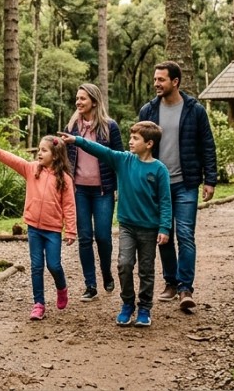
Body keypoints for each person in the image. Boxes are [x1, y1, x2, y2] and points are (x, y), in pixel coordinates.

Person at [59, 121, 170, 328]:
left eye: (135, 138)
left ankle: (144, 308)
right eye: (131, 136)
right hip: (127, 226)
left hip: (149, 228)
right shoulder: (123, 160)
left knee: (146, 269)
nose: (130, 141)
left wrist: (164, 228)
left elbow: (165, 201)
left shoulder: (159, 170)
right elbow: (101, 150)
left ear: (149, 143)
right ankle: (127, 304)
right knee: (124, 264)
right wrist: (77, 140)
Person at [138, 60, 217, 313]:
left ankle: (185, 288)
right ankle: (170, 282)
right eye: (155, 79)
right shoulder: (148, 111)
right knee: (164, 236)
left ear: (175, 82)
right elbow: (139, 147)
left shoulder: (195, 110)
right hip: (157, 185)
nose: (156, 83)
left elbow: (207, 144)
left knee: (185, 234)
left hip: (186, 183)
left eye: (161, 79)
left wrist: (211, 179)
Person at [0, 136, 77, 321]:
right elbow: (12, 159)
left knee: (53, 265)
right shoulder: (32, 169)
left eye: (44, 150)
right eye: (39, 149)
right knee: (36, 266)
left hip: (53, 229)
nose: (39, 153)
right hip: (34, 228)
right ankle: (38, 304)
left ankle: (61, 288)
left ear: (55, 156)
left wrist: (70, 229)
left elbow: (69, 206)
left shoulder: (65, 179)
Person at [64, 83, 124, 301]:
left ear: (94, 102)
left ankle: (107, 273)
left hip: (103, 191)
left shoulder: (110, 127)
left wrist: (119, 187)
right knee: (85, 238)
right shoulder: (72, 126)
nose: (78, 102)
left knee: (103, 236)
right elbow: (65, 157)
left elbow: (120, 158)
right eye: (77, 98)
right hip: (79, 190)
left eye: (83, 98)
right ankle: (90, 285)